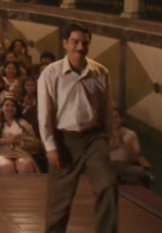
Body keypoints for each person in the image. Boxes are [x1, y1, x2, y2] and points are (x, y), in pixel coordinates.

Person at [39, 22, 117, 233]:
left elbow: (107, 109)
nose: (80, 47)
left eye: (84, 43)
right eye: (75, 42)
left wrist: (107, 138)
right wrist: (50, 146)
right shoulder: (51, 73)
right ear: (65, 43)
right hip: (65, 140)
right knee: (60, 199)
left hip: (94, 138)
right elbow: (45, 112)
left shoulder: (100, 72)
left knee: (108, 184)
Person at [109, 108, 152, 186]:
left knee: (134, 176)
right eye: (111, 117)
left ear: (122, 119)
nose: (113, 120)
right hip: (109, 164)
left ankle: (120, 176)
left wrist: (123, 144)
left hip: (125, 165)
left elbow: (136, 157)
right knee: (136, 177)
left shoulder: (131, 134)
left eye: (116, 117)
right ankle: (122, 176)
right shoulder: (105, 133)